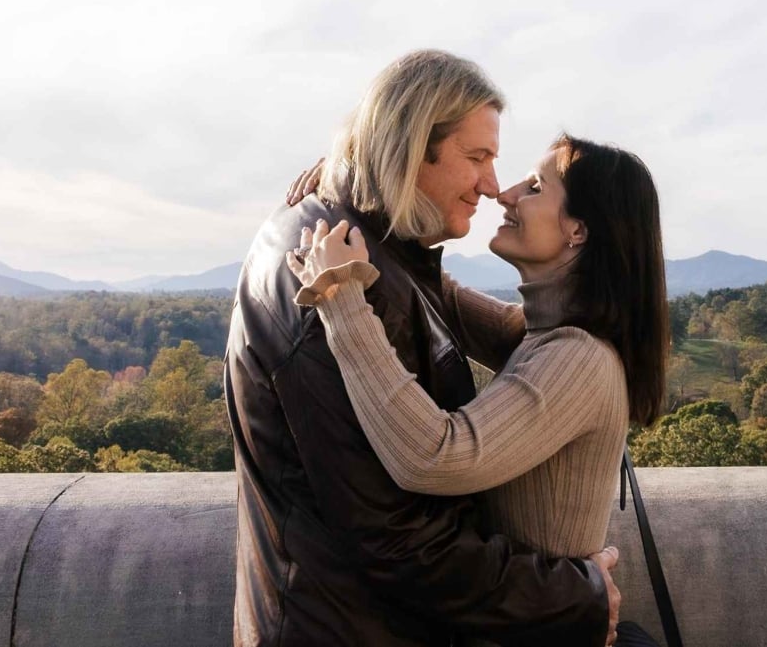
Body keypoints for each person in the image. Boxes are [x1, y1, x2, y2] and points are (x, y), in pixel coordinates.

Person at [225, 50, 621, 647]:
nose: (494, 187)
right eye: (478, 158)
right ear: (411, 147)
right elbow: (398, 538)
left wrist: (349, 160)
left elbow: (541, 345)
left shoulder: (377, 255)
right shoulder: (330, 276)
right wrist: (577, 595)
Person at [287, 134, 670, 646]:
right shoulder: (545, 334)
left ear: (578, 229)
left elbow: (434, 456)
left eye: (535, 187)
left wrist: (339, 300)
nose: (504, 193)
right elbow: (433, 291)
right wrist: (360, 178)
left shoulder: (577, 359)